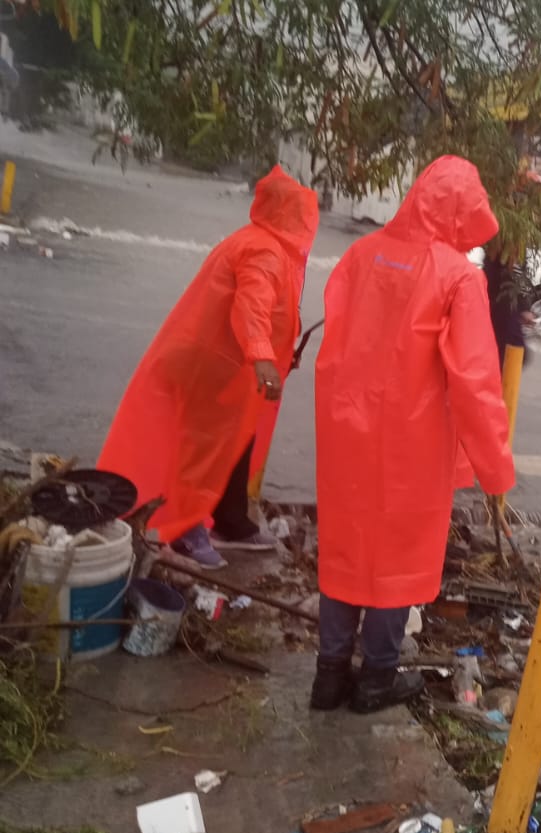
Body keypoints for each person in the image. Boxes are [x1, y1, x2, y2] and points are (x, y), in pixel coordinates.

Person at [313, 156, 515, 713]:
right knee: (395, 560)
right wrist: (495, 468)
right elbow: (475, 381)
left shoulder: (360, 254)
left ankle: (328, 675)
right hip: (412, 440)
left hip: (347, 430)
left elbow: (337, 344)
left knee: (347, 548)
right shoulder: (456, 276)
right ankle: (376, 678)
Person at [99, 166, 319, 567]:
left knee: (236, 443)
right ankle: (184, 529)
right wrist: (263, 357)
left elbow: (273, 310)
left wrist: (279, 354)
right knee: (204, 449)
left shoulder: (255, 241)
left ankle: (231, 521)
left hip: (220, 366)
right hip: (214, 368)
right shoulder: (264, 251)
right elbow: (251, 308)